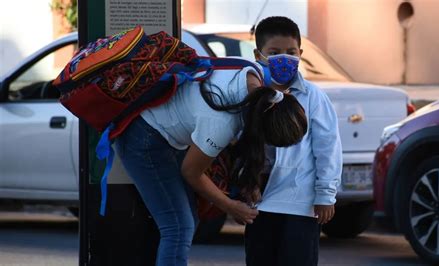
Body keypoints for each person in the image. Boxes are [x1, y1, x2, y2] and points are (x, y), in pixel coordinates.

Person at [114, 62, 308, 266]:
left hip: (165, 130)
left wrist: (247, 183)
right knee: (178, 227)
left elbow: (246, 140)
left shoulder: (253, 79)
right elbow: (191, 172)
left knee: (187, 220)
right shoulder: (221, 123)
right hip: (143, 137)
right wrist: (231, 206)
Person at [243, 16, 343, 266]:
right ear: (259, 54)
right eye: (274, 52)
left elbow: (328, 147)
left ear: (301, 53)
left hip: (301, 205)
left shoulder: (313, 97)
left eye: (290, 52)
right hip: (260, 206)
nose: (284, 59)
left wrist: (325, 194)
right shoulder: (250, 94)